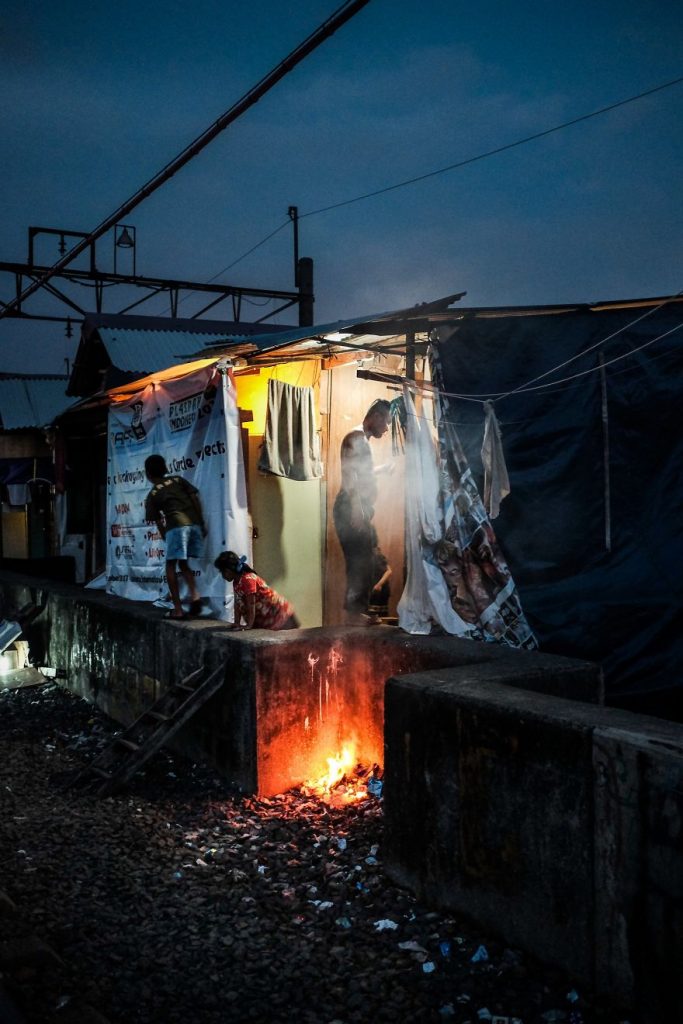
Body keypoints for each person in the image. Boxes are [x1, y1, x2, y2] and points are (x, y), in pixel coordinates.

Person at [333, 398, 393, 624]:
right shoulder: (356, 437)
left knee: (366, 559)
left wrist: (381, 470)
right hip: (351, 507)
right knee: (360, 561)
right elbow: (350, 477)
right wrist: (356, 508)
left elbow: (362, 473)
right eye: (386, 422)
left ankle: (356, 612)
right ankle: (354, 615)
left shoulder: (361, 440)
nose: (386, 428)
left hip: (357, 507)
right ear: (376, 417)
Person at [144, 454, 207, 620]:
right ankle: (195, 597)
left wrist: (165, 534)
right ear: (164, 468)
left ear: (148, 474)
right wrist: (201, 522)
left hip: (176, 526)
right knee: (183, 562)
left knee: (170, 565)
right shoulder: (178, 480)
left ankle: (177, 609)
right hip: (193, 523)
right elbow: (194, 497)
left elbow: (157, 519)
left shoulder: (153, 493)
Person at [214, 550, 299, 630]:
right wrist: (237, 623)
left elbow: (251, 604)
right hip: (268, 620)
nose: (222, 575)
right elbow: (237, 603)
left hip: (281, 616)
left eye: (223, 572)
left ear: (229, 570)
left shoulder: (248, 579)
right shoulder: (236, 582)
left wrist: (249, 626)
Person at [367, 535, 392, 620]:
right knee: (372, 618)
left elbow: (388, 571)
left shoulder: (376, 555)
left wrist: (379, 584)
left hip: (379, 589)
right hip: (374, 589)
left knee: (377, 617)